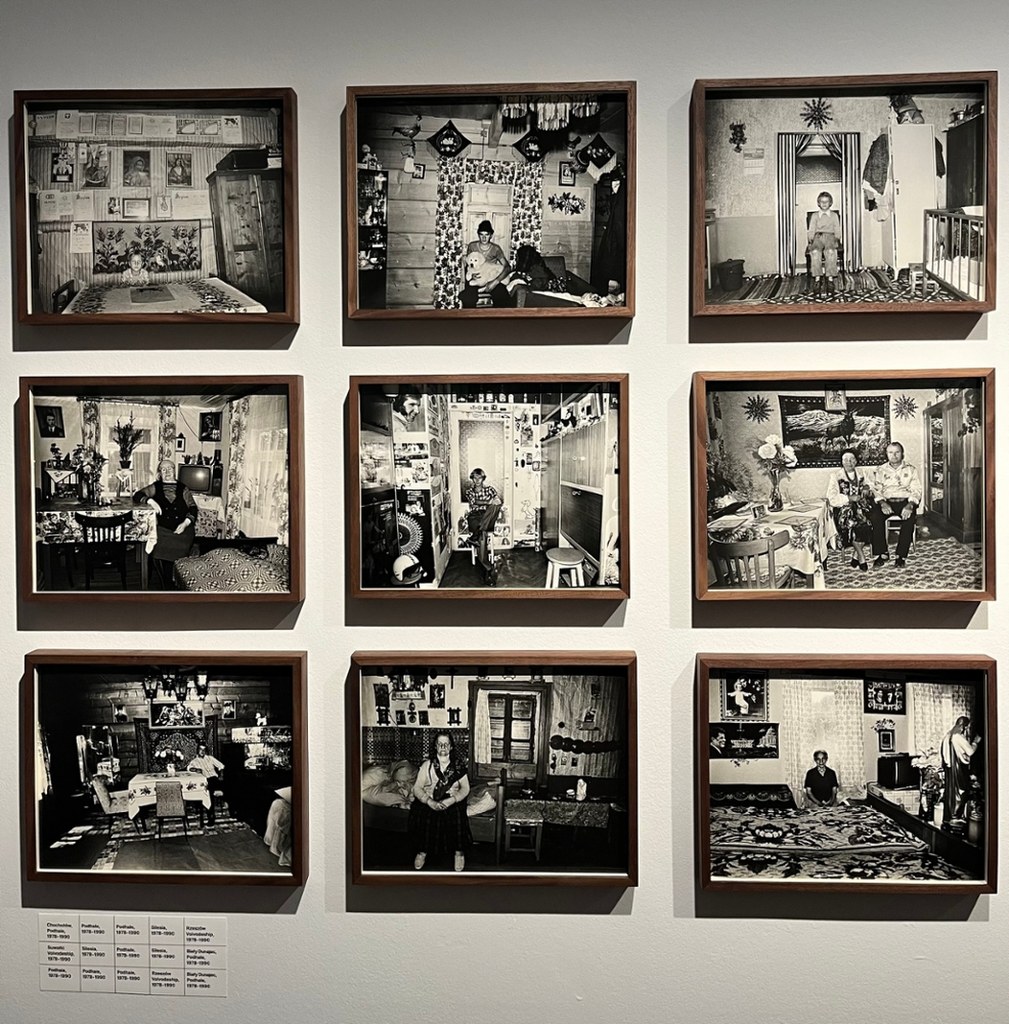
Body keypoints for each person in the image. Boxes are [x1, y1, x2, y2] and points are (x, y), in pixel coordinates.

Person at [409, 732, 471, 872]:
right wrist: (429, 801)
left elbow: (465, 788)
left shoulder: (458, 766)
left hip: (451, 799)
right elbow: (417, 788)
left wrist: (452, 800)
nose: (443, 747)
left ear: (451, 747)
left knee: (457, 814)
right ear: (435, 746)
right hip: (430, 798)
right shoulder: (427, 765)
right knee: (424, 813)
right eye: (440, 744)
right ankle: (422, 852)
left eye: (446, 744)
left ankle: (459, 853)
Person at [133, 459, 198, 589]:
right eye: (163, 469)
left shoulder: (183, 488)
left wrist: (185, 523)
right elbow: (137, 495)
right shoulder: (155, 487)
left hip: (183, 530)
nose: (167, 471)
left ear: (174, 471)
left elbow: (193, 508)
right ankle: (167, 585)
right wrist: (150, 501)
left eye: (170, 468)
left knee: (176, 549)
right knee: (159, 547)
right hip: (162, 530)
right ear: (159, 473)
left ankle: (174, 580)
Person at [867, 441, 922, 569]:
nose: (894, 455)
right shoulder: (880, 470)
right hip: (886, 500)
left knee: (909, 519)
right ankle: (882, 553)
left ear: (902, 454)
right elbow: (876, 489)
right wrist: (882, 503)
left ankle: (901, 556)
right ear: (887, 454)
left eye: (897, 452)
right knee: (875, 517)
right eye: (891, 452)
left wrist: (910, 504)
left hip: (905, 500)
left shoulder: (911, 469)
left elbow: (917, 490)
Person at [826, 449, 874, 572]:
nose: (849, 462)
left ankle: (855, 555)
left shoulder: (862, 473)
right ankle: (861, 557)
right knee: (855, 523)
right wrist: (848, 498)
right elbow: (831, 498)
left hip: (862, 507)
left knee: (870, 520)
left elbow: (872, 485)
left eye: (852, 459)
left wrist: (867, 487)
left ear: (856, 461)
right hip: (844, 509)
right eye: (846, 460)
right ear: (842, 462)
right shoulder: (836, 476)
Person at [459, 220, 511, 308]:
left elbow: (507, 267)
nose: (484, 238)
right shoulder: (472, 246)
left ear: (491, 235)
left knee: (502, 296)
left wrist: (496, 281)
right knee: (468, 297)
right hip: (476, 279)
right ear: (478, 235)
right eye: (481, 234)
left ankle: (497, 316)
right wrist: (471, 274)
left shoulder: (496, 249)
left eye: (486, 235)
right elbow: (468, 263)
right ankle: (470, 316)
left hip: (491, 278)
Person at [941, 716, 981, 828]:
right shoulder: (958, 737)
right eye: (967, 727)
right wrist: (975, 742)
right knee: (961, 792)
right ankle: (956, 817)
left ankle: (949, 817)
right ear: (964, 726)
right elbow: (970, 751)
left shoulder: (947, 736)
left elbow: (945, 756)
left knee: (951, 794)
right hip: (958, 769)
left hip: (950, 769)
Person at [464, 468, 501, 586]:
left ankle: (476, 535)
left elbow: (497, 501)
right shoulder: (469, 491)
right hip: (475, 517)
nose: (477, 480)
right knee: (482, 536)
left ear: (483, 478)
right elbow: (474, 502)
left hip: (487, 516)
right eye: (475, 478)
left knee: (496, 506)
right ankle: (488, 570)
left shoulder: (490, 489)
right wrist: (488, 502)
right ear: (472, 479)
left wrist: (493, 502)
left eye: (479, 477)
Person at [807, 191, 841, 297]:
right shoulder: (815, 215)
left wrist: (837, 239)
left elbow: (837, 228)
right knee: (815, 252)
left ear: (830, 203)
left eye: (826, 201)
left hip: (830, 237)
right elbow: (811, 229)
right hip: (818, 237)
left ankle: (830, 278)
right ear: (818, 203)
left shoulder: (834, 215)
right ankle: (817, 278)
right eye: (822, 201)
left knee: (830, 251)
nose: (824, 204)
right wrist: (811, 241)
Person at [187, 742, 225, 824]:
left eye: (204, 750)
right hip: (205, 781)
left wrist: (221, 775)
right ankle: (211, 816)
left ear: (206, 751)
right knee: (208, 791)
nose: (202, 751)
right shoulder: (195, 761)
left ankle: (235, 811)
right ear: (197, 750)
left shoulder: (210, 758)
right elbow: (189, 768)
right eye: (200, 749)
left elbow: (221, 766)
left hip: (215, 779)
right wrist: (196, 769)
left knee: (228, 786)